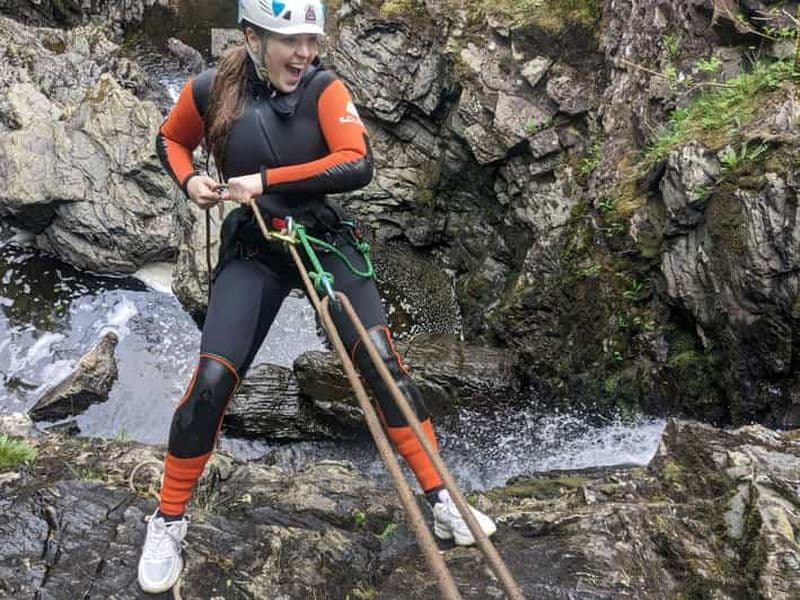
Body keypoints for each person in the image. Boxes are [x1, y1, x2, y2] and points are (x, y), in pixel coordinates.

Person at [137, 0, 496, 593]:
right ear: (253, 37)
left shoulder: (325, 89)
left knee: (382, 366)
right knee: (210, 382)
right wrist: (191, 182)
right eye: (291, 40)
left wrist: (267, 181)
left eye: (313, 39)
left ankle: (442, 499)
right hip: (255, 251)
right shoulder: (208, 91)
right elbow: (171, 141)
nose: (305, 53)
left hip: (322, 240)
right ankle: (168, 519)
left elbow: (358, 164)